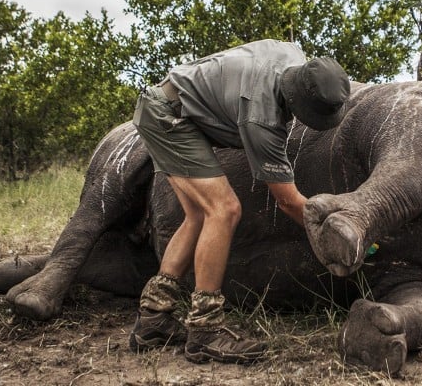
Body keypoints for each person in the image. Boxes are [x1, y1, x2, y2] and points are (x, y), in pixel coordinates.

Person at [128, 39, 350, 363]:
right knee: (224, 210)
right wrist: (335, 234)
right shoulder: (261, 116)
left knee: (198, 217)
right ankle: (205, 331)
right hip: (169, 118)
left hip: (170, 106)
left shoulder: (293, 55)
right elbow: (288, 202)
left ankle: (153, 318)